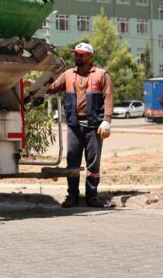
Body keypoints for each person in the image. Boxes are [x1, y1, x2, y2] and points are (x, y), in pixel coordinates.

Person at [46, 42, 113, 208]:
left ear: (90, 57)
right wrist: (36, 85)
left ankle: (92, 197)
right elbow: (53, 87)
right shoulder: (68, 74)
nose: (78, 57)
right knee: (72, 162)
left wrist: (107, 120)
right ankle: (72, 196)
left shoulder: (101, 75)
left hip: (94, 126)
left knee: (93, 163)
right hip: (74, 126)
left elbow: (109, 97)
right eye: (76, 54)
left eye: (81, 55)